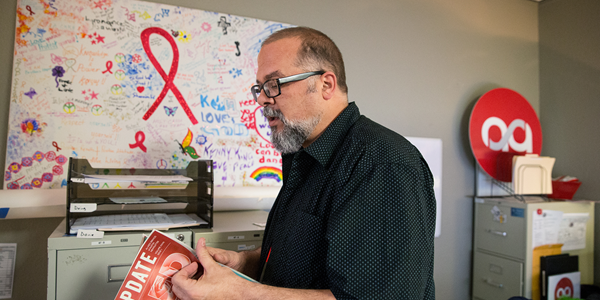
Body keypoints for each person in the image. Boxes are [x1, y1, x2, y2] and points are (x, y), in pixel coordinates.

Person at [172, 26, 436, 300]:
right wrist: (247, 264)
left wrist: (240, 293)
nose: (262, 99)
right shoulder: (303, 157)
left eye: (274, 84)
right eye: (260, 88)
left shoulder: (381, 164)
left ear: (326, 85)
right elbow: (311, 255)